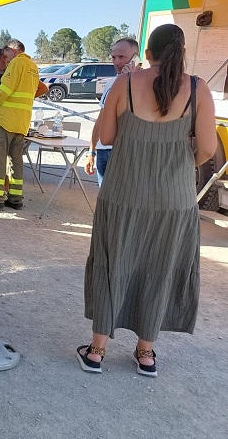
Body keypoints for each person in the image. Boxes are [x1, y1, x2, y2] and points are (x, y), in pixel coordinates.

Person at [78, 24, 215, 377]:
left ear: (147, 52)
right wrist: (179, 164)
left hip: (123, 190)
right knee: (161, 265)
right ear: (181, 51)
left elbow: (106, 136)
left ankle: (97, 350)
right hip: (174, 198)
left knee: (114, 259)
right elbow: (208, 150)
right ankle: (146, 352)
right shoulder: (198, 89)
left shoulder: (124, 84)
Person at [0, 39, 38, 210]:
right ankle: (16, 198)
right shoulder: (33, 67)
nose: (5, 58)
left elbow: (5, 90)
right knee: (16, 160)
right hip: (22, 121)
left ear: (13, 50)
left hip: (6, 120)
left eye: (6, 54)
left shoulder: (16, 64)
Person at [84, 37, 139, 186]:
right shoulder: (110, 83)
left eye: (122, 57)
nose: (116, 62)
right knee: (104, 200)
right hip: (103, 151)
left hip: (124, 152)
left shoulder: (143, 84)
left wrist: (129, 80)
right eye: (113, 57)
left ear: (136, 58)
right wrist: (91, 151)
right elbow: (101, 118)